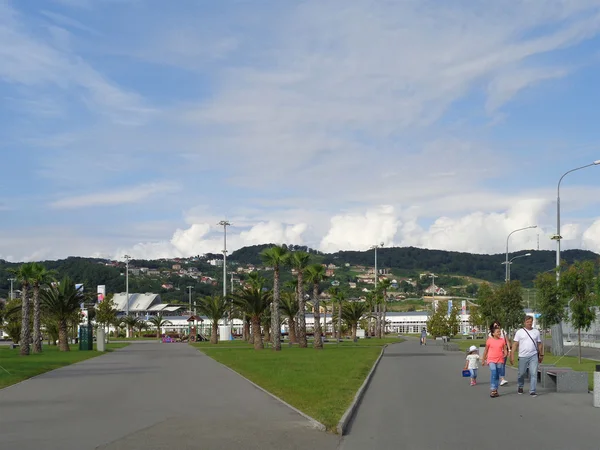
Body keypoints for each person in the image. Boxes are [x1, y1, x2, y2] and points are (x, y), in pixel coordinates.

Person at [510, 315, 543, 397]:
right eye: (527, 322)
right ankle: (520, 386)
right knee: (521, 373)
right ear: (524, 322)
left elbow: (539, 344)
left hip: (533, 355)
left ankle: (532, 390)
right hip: (522, 356)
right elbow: (515, 344)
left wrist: (541, 354)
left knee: (533, 373)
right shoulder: (519, 332)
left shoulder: (536, 332)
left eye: (531, 322)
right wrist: (512, 355)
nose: (529, 323)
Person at [482, 324, 508, 398]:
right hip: (491, 359)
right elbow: (486, 350)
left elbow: (505, 348)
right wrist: (483, 359)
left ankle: (495, 389)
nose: (499, 333)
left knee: (497, 374)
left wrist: (505, 353)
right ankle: (493, 389)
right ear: (493, 333)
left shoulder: (502, 340)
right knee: (494, 372)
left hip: (500, 359)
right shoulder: (489, 341)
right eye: (497, 332)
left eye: (499, 332)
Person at [489, 320, 511, 386]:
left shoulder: (503, 332)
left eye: (498, 325)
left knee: (502, 365)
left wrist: (509, 350)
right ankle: (497, 378)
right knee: (495, 368)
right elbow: (489, 344)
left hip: (503, 351)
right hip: (495, 352)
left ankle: (502, 379)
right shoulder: (491, 334)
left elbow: (507, 341)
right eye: (495, 326)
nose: (497, 326)